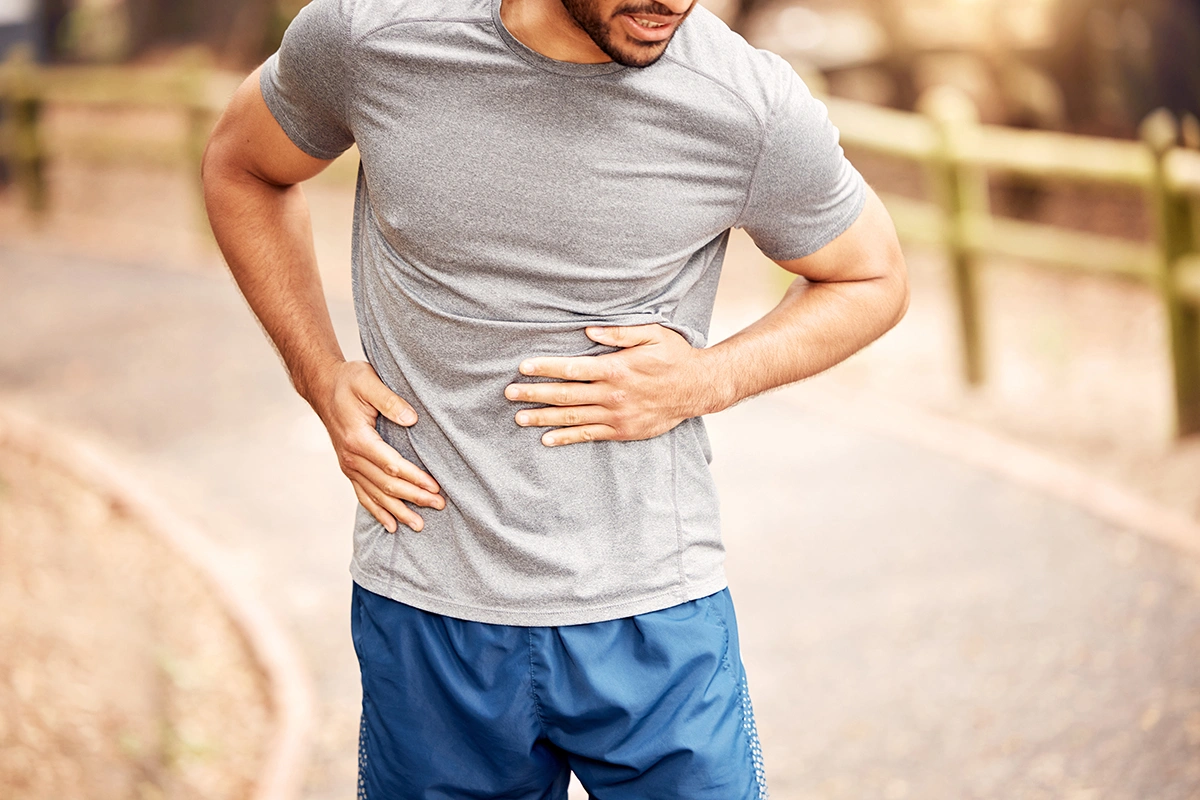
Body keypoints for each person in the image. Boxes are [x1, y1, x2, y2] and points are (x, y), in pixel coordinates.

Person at [202, 0, 908, 796]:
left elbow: (872, 275)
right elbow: (243, 165)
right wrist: (317, 370)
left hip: (654, 616)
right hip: (431, 610)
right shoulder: (373, 37)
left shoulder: (745, 100)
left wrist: (704, 379)